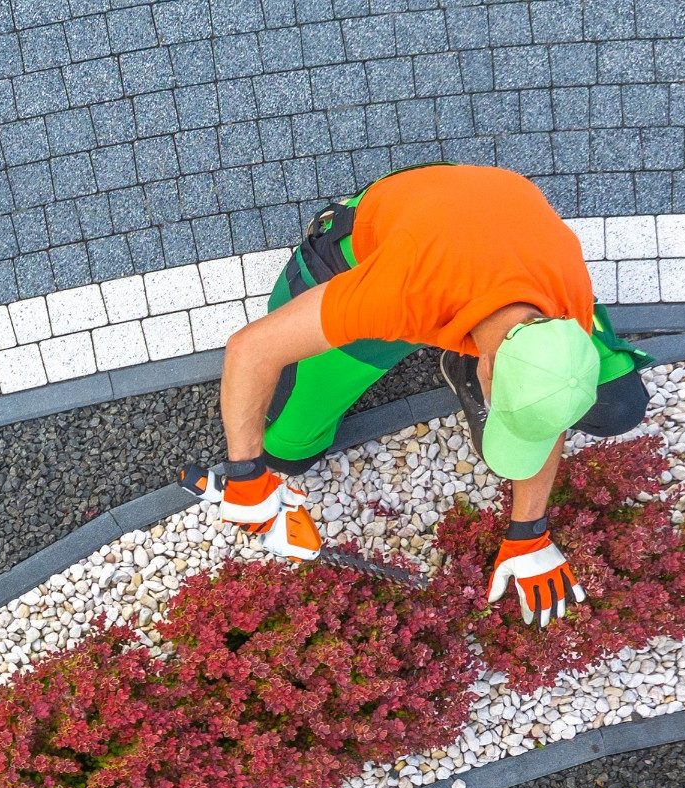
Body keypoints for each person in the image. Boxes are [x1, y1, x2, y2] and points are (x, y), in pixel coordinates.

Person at [185, 164, 650, 628]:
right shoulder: (400, 292)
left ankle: (468, 362)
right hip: (380, 247)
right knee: (287, 452)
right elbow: (250, 349)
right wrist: (247, 474)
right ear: (488, 367)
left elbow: (547, 406)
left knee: (619, 405)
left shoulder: (567, 305)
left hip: (483, 220)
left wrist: (529, 531)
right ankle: (454, 353)